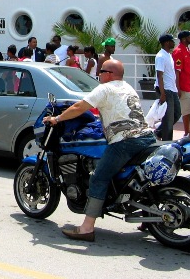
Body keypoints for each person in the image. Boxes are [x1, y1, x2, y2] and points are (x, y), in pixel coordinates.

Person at [43, 59, 155, 242]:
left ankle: (86, 228)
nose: (98, 74)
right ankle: (148, 220)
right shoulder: (127, 87)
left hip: (125, 141)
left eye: (101, 71)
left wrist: (58, 118)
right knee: (138, 177)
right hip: (147, 138)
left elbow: (79, 107)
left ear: (109, 74)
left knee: (99, 178)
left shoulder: (105, 89)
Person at [155, 34, 181, 141]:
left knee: (177, 114)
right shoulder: (160, 56)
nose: (173, 43)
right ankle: (166, 142)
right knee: (169, 119)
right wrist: (162, 93)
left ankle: (159, 131)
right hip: (165, 90)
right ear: (166, 42)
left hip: (172, 89)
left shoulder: (168, 55)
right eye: (171, 41)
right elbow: (159, 75)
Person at [173, 30, 190, 137]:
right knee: (186, 111)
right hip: (182, 86)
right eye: (189, 37)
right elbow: (177, 71)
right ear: (183, 39)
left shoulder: (187, 50)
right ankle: (187, 134)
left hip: (187, 85)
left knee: (188, 110)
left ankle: (188, 133)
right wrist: (178, 88)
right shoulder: (179, 51)